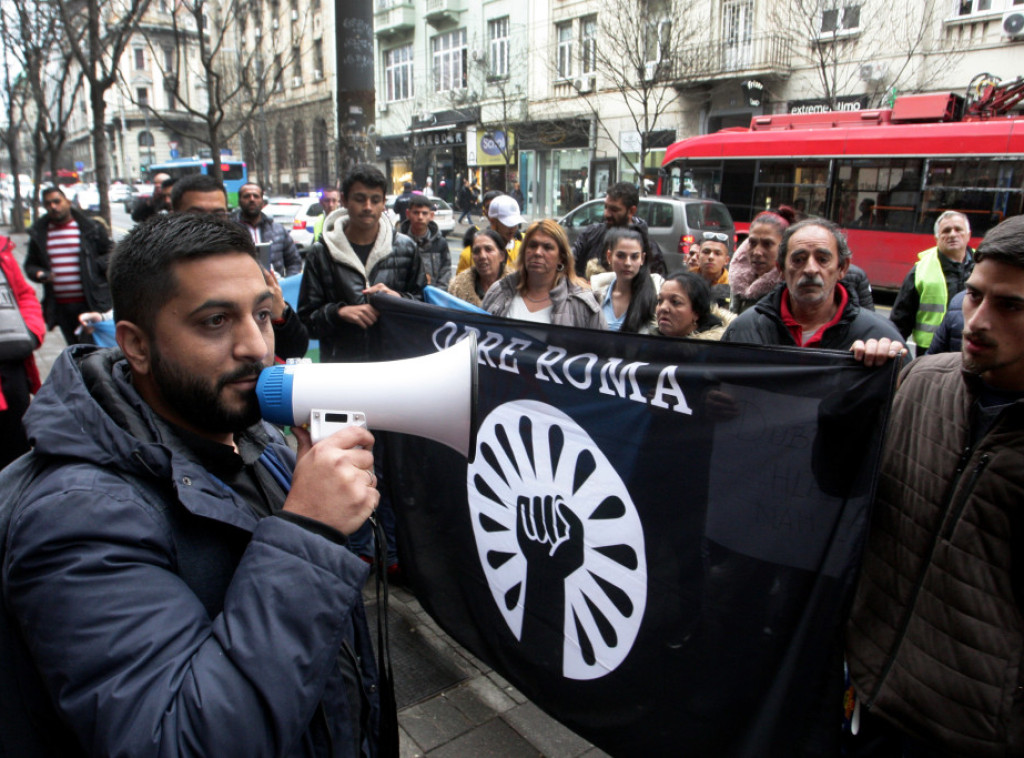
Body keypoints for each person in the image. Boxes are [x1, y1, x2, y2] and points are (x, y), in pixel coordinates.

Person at [0, 212, 381, 755]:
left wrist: (342, 498)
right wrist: (311, 533)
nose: (256, 347)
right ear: (136, 345)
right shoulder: (76, 518)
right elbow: (176, 740)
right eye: (215, 322)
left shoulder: (251, 429)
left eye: (263, 316)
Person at [845, 215, 1024, 757]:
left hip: (968, 730)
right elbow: (844, 494)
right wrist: (850, 398)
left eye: (1009, 305)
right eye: (974, 296)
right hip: (868, 695)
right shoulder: (921, 382)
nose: (976, 320)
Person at [298, 163, 425, 573]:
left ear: (384, 202)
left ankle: (388, 553)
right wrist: (340, 312)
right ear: (344, 199)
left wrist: (397, 300)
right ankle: (355, 551)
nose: (367, 207)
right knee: (349, 465)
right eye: (359, 199)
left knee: (389, 467)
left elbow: (424, 311)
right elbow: (306, 318)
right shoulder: (321, 253)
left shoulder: (405, 249)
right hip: (344, 375)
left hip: (393, 376)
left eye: (375, 199)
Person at [722, 219, 907, 364]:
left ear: (842, 268)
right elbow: (715, 388)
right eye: (799, 259)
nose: (811, 269)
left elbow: (906, 403)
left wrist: (892, 366)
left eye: (822, 259)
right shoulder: (744, 329)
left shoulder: (879, 336)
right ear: (781, 270)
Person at [168, 175, 307, 361]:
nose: (208, 225)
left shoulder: (244, 265)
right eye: (197, 215)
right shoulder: (156, 270)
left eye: (218, 215)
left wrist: (280, 313)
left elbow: (294, 348)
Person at [24, 186, 112, 345]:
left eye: (57, 201)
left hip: (91, 302)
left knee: (94, 350)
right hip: (62, 307)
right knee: (74, 349)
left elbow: (111, 254)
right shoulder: (40, 233)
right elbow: (30, 265)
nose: (53, 207)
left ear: (68, 201)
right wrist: (40, 274)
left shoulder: (90, 228)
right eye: (48, 203)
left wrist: (93, 266)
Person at [482, 219, 605, 329]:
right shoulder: (498, 292)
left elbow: (605, 350)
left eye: (547, 247)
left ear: (561, 258)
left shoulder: (583, 305)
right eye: (533, 245)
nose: (538, 253)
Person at [889, 210, 974, 355]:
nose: (952, 234)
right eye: (946, 231)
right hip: (932, 351)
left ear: (968, 235)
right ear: (937, 238)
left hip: (972, 347)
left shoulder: (983, 265)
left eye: (958, 229)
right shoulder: (921, 270)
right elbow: (901, 320)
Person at [0, 234, 44, 469]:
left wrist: (31, 330)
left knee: (17, 455)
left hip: (13, 369)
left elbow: (25, 294)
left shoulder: (2, 250)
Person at [572, 181, 666, 279]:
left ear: (631, 211)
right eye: (606, 207)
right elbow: (570, 262)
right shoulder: (591, 234)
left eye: (614, 210)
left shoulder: (649, 248)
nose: (607, 214)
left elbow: (657, 285)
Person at [590, 227, 662, 333]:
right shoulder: (596, 294)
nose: (627, 263)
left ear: (642, 259)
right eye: (621, 256)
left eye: (634, 257)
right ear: (609, 256)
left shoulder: (656, 298)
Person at [728, 208, 793, 315]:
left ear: (785, 248)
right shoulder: (738, 282)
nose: (757, 252)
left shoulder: (790, 293)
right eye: (752, 243)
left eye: (767, 244)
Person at [232, 182, 302, 276]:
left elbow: (294, 262)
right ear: (239, 201)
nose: (252, 199)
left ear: (262, 201)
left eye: (256, 196)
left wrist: (285, 285)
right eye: (247, 196)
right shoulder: (229, 231)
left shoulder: (278, 230)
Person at [655, 271, 734, 341]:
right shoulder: (648, 341)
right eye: (660, 301)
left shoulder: (715, 351)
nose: (663, 308)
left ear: (697, 312)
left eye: (675, 302)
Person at [448, 228, 509, 308]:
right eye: (476, 251)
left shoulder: (517, 289)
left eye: (488, 249)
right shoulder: (457, 290)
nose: (482, 256)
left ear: (502, 256)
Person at [400, 194, 451, 287]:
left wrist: (435, 295)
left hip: (432, 298)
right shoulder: (398, 242)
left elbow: (445, 272)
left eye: (424, 213)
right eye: (416, 213)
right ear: (408, 214)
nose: (420, 217)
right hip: (406, 298)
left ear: (431, 215)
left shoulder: (440, 243)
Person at [456, 190, 505, 274]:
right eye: (489, 207)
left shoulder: (522, 245)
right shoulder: (468, 254)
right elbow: (460, 284)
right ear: (485, 212)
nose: (494, 211)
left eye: (498, 206)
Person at [696, 231, 732, 308]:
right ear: (698, 256)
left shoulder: (733, 286)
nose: (711, 257)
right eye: (706, 252)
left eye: (717, 253)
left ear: (726, 260)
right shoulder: (686, 281)